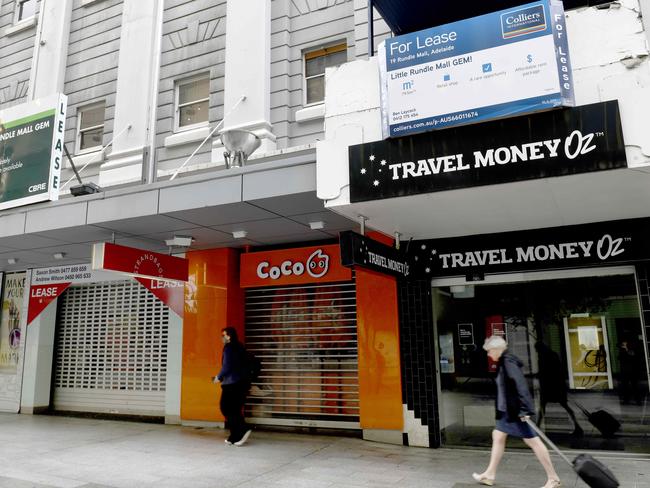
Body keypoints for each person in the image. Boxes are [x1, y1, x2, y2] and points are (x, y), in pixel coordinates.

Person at [472, 335, 561, 488]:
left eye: (489, 351)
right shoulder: (503, 362)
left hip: (515, 412)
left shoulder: (508, 362)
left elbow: (521, 386)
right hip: (506, 411)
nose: (488, 354)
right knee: (498, 436)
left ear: (496, 349)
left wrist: (525, 409)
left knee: (533, 441)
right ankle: (489, 474)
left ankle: (553, 478)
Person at [214, 326, 252, 446]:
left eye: (223, 335)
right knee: (233, 409)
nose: (221, 338)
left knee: (225, 407)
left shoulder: (229, 348)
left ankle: (243, 429)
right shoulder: (239, 346)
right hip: (241, 383)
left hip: (232, 384)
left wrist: (218, 377)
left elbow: (227, 366)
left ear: (229, 336)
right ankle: (234, 435)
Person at [535, 342, 582, 436]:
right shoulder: (553, 354)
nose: (536, 351)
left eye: (536, 349)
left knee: (542, 407)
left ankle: (536, 429)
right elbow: (558, 370)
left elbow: (544, 373)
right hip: (557, 386)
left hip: (549, 387)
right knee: (565, 406)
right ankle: (577, 427)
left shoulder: (543, 357)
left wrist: (535, 376)